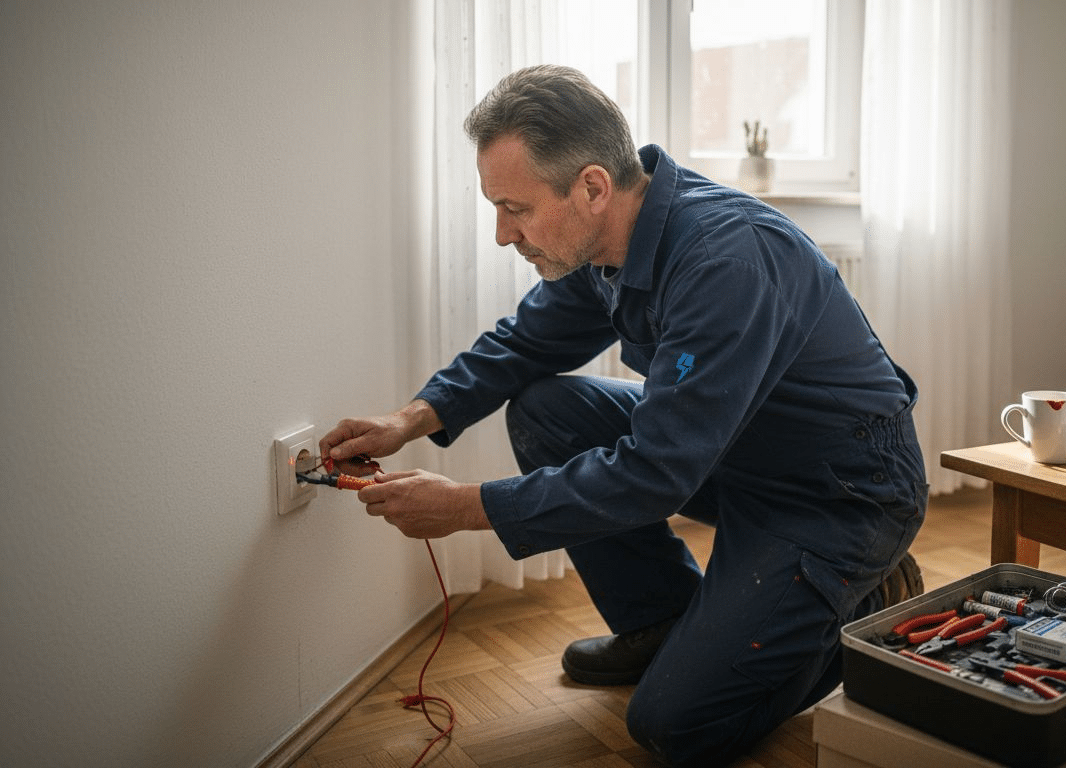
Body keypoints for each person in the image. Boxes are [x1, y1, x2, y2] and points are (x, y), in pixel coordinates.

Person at [320, 64, 928, 768]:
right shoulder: (602, 242)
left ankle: (869, 608)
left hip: (837, 492)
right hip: (732, 452)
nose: (500, 233)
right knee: (548, 409)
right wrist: (406, 421)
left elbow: (655, 472)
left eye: (515, 207)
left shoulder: (724, 258)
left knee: (676, 727)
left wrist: (463, 507)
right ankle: (663, 621)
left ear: (591, 188)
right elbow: (523, 345)